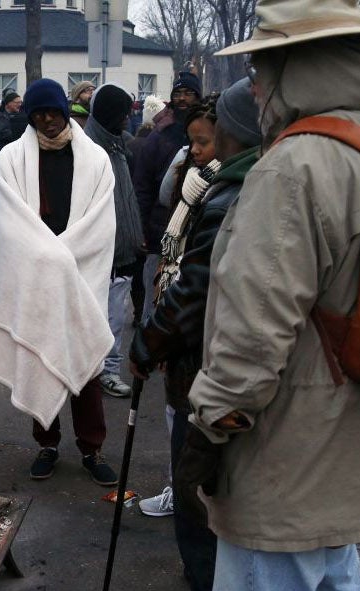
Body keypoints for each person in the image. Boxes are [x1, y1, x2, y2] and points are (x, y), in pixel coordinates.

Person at [175, 1, 360, 591]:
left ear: (297, 65)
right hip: (352, 443)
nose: (256, 86)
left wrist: (207, 428)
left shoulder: (294, 167)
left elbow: (251, 334)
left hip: (282, 454)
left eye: (263, 67)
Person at [129, 79, 261, 591]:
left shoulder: (231, 191)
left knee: (196, 490)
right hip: (223, 361)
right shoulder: (220, 183)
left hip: (208, 365)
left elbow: (195, 291)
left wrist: (146, 343)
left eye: (211, 135)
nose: (201, 146)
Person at [0, 78, 118, 486]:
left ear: (65, 111)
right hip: (36, 275)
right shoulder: (10, 159)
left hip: (80, 273)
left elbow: (101, 223)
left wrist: (61, 256)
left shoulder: (96, 159)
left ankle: (91, 448)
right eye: (39, 114)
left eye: (53, 112)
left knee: (86, 365)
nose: (47, 120)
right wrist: (46, 257)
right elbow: (10, 224)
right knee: (38, 355)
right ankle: (47, 443)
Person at [135, 98, 222, 520]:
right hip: (179, 317)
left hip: (199, 329)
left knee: (194, 421)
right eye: (190, 142)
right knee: (176, 412)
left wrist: (153, 339)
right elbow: (169, 216)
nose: (194, 150)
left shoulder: (222, 193)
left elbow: (198, 279)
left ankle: (191, 497)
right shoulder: (192, 179)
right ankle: (180, 488)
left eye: (203, 142)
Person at [83, 84, 143, 399]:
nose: (127, 120)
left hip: (122, 249)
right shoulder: (90, 151)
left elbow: (126, 198)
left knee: (115, 316)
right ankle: (102, 371)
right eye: (122, 114)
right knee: (105, 317)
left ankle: (105, 369)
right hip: (101, 252)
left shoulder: (118, 146)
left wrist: (135, 236)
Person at [133, 71, 201, 325]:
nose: (183, 99)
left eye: (189, 93)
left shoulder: (209, 132)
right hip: (160, 230)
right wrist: (141, 228)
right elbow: (142, 188)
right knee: (156, 296)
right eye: (178, 94)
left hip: (195, 231)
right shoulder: (158, 137)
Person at [0, 91, 27, 158]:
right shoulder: (0, 116)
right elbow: (3, 134)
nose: (20, 104)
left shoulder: (21, 116)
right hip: (3, 154)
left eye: (20, 102)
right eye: (17, 102)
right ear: (8, 103)